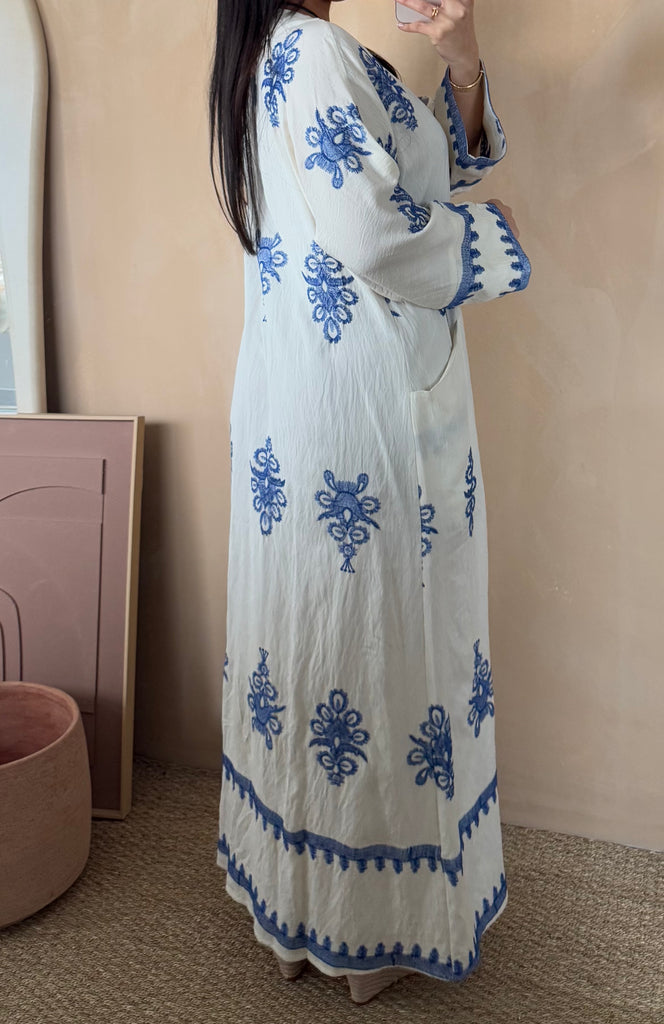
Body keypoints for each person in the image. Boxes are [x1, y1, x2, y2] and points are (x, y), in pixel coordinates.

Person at [208, 0, 531, 1005]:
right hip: (365, 418)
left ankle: (309, 908)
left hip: (309, 403)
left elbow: (407, 177)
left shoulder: (276, 53)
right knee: (379, 653)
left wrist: (462, 61)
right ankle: (368, 922)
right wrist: (494, 239)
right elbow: (375, 231)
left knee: (324, 646)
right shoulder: (310, 51)